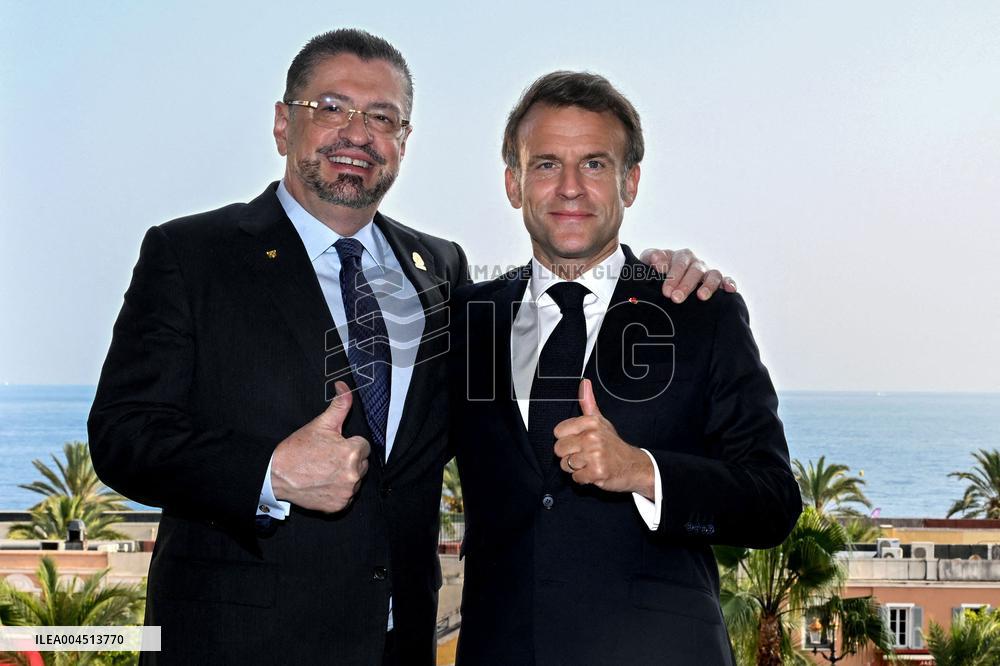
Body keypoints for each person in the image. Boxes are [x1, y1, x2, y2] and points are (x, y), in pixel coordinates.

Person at [87, 30, 729, 665]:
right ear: (284, 124)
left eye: (382, 117)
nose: (357, 133)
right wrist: (270, 473)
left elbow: (503, 416)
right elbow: (122, 434)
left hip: (401, 643)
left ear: (403, 141)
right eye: (331, 107)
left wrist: (649, 275)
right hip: (238, 645)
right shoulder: (192, 254)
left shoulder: (441, 270)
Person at [448, 71, 802, 665]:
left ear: (629, 182)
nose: (570, 188)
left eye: (594, 164)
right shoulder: (466, 319)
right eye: (546, 164)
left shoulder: (700, 311)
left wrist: (641, 470)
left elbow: (772, 501)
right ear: (513, 183)